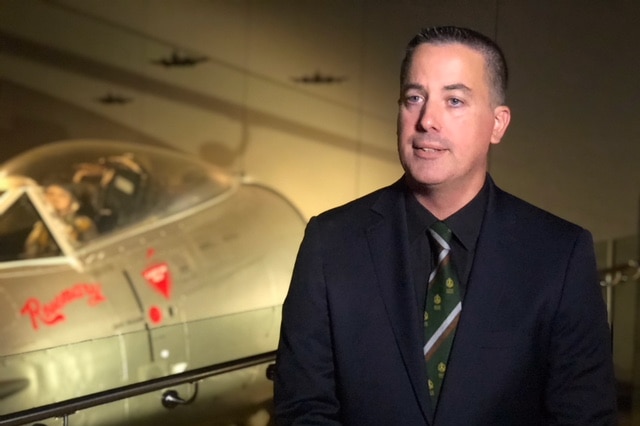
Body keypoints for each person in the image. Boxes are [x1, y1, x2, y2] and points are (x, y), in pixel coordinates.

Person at [273, 26, 617, 425]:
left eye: (454, 100)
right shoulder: (330, 242)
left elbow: (584, 416)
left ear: (498, 124)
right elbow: (302, 408)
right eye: (414, 98)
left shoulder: (560, 252)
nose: (427, 120)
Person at [24, 183, 98, 258]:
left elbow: (91, 251)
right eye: (50, 194)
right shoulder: (39, 231)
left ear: (72, 200)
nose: (55, 198)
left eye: (62, 195)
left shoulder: (83, 224)